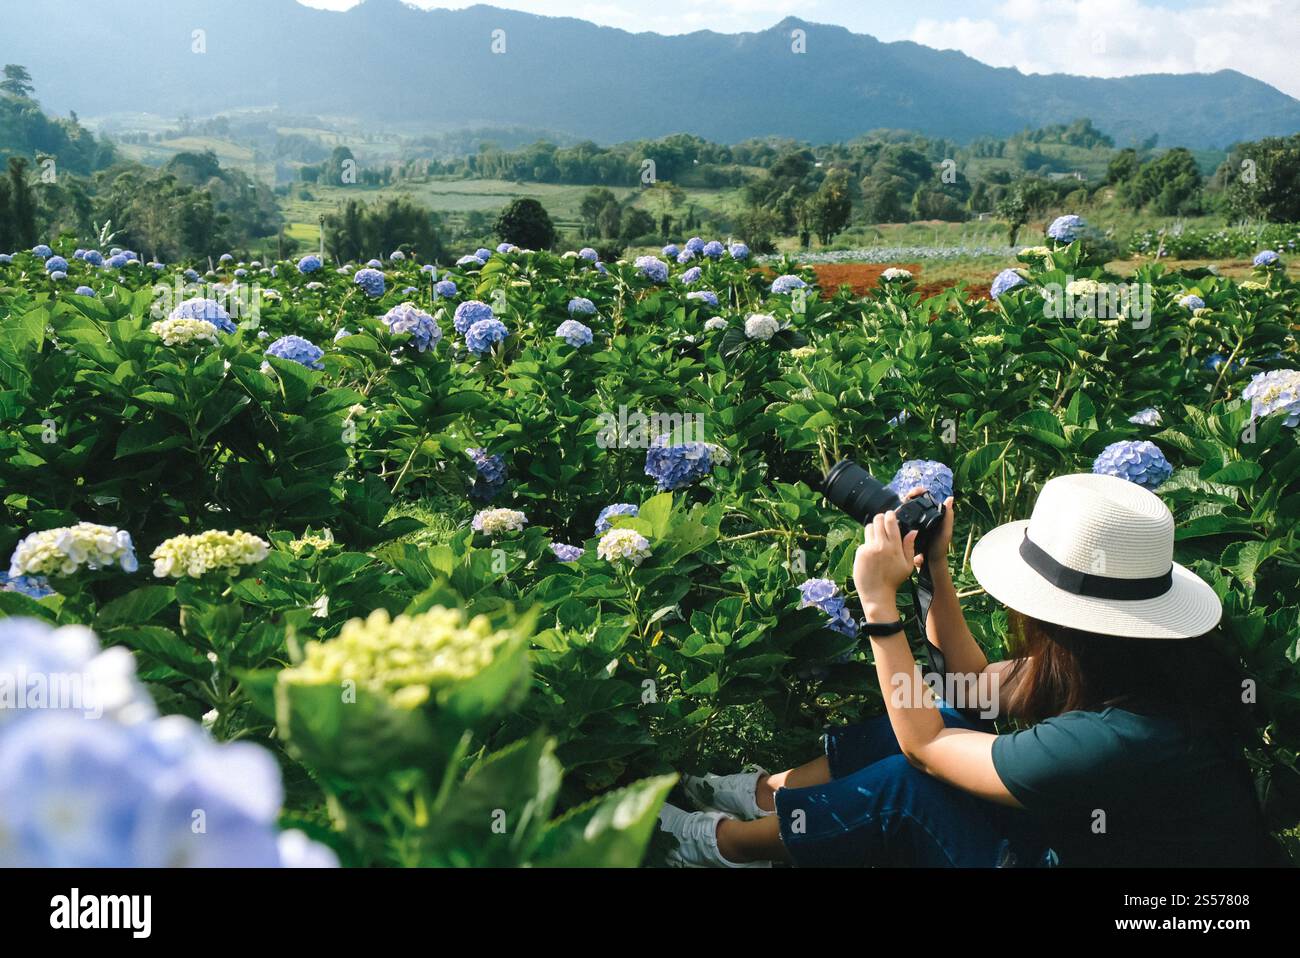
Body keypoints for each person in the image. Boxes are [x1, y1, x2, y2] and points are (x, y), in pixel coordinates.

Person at [657, 472, 1268, 867]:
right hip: (1099, 843)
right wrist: (934, 570)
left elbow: (924, 749)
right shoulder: (1147, 663)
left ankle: (724, 848)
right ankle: (767, 796)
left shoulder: (1115, 739)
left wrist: (878, 608)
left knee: (904, 785)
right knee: (948, 714)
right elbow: (968, 689)